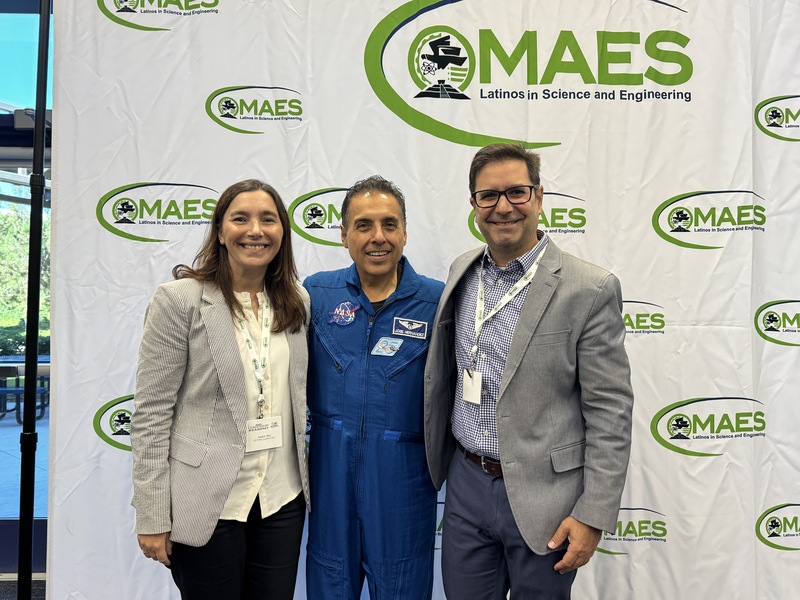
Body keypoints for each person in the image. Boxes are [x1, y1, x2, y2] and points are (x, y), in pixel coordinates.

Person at [424, 144, 634, 599]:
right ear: (474, 206)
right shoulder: (462, 272)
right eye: (489, 196)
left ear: (538, 197)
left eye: (516, 192)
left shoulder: (590, 289)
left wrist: (593, 513)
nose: (503, 207)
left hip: (548, 500)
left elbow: (610, 411)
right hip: (466, 486)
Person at [131, 179, 310, 600]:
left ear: (282, 233)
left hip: (281, 499)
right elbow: (152, 412)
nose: (255, 230)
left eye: (268, 219)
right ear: (220, 231)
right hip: (208, 501)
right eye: (240, 218)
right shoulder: (181, 301)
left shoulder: (296, 301)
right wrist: (152, 514)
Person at [304, 175, 444, 599]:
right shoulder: (316, 295)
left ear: (405, 231)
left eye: (389, 224)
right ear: (344, 234)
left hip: (403, 484)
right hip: (330, 475)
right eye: (363, 225)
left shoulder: (438, 303)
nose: (377, 237)